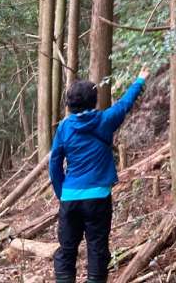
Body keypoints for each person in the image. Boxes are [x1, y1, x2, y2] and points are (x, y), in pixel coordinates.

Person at [49, 66, 150, 283]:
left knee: (67, 249)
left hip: (71, 198)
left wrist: (62, 192)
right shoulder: (105, 121)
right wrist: (140, 80)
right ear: (94, 100)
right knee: (97, 248)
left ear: (70, 103)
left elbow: (55, 163)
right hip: (98, 198)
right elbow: (125, 104)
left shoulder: (64, 128)